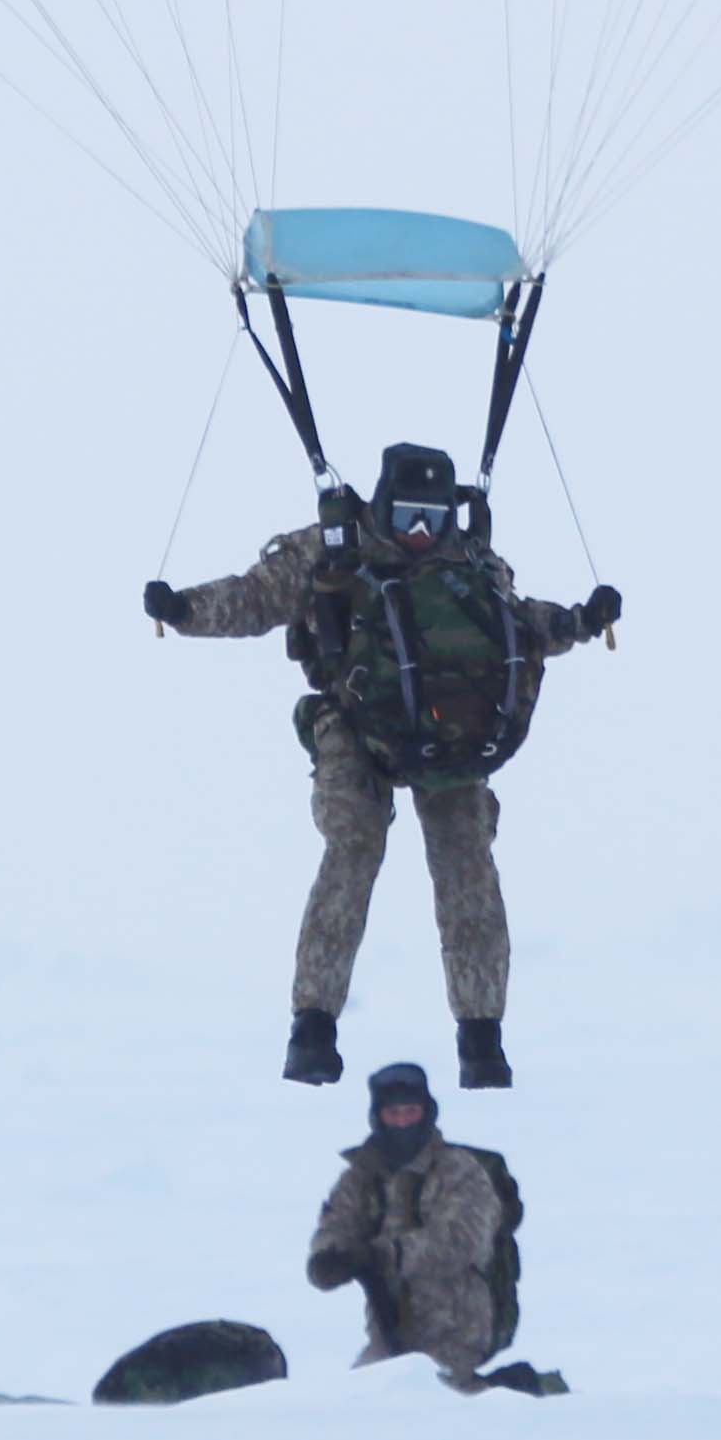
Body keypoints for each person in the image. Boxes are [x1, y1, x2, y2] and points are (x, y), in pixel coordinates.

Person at [148, 441, 618, 1088]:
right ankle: (312, 1026)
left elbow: (521, 624)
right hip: (355, 722)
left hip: (444, 732)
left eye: (433, 519)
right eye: (407, 521)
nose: (421, 535)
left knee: (468, 868)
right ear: (383, 509)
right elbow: (257, 598)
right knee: (353, 847)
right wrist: (185, 611)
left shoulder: (472, 559)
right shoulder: (336, 549)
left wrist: (580, 622)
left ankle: (482, 1038)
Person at [304, 1061, 562, 1394]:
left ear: (427, 1113)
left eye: (410, 1113)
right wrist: (329, 1258)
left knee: (438, 1403)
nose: (402, 1122)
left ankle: (534, 1393)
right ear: (377, 1117)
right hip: (387, 1329)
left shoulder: (460, 1171)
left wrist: (384, 1256)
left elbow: (461, 1242)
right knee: (360, 1401)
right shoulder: (362, 1176)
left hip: (459, 1327)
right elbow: (338, 1222)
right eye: (393, 1114)